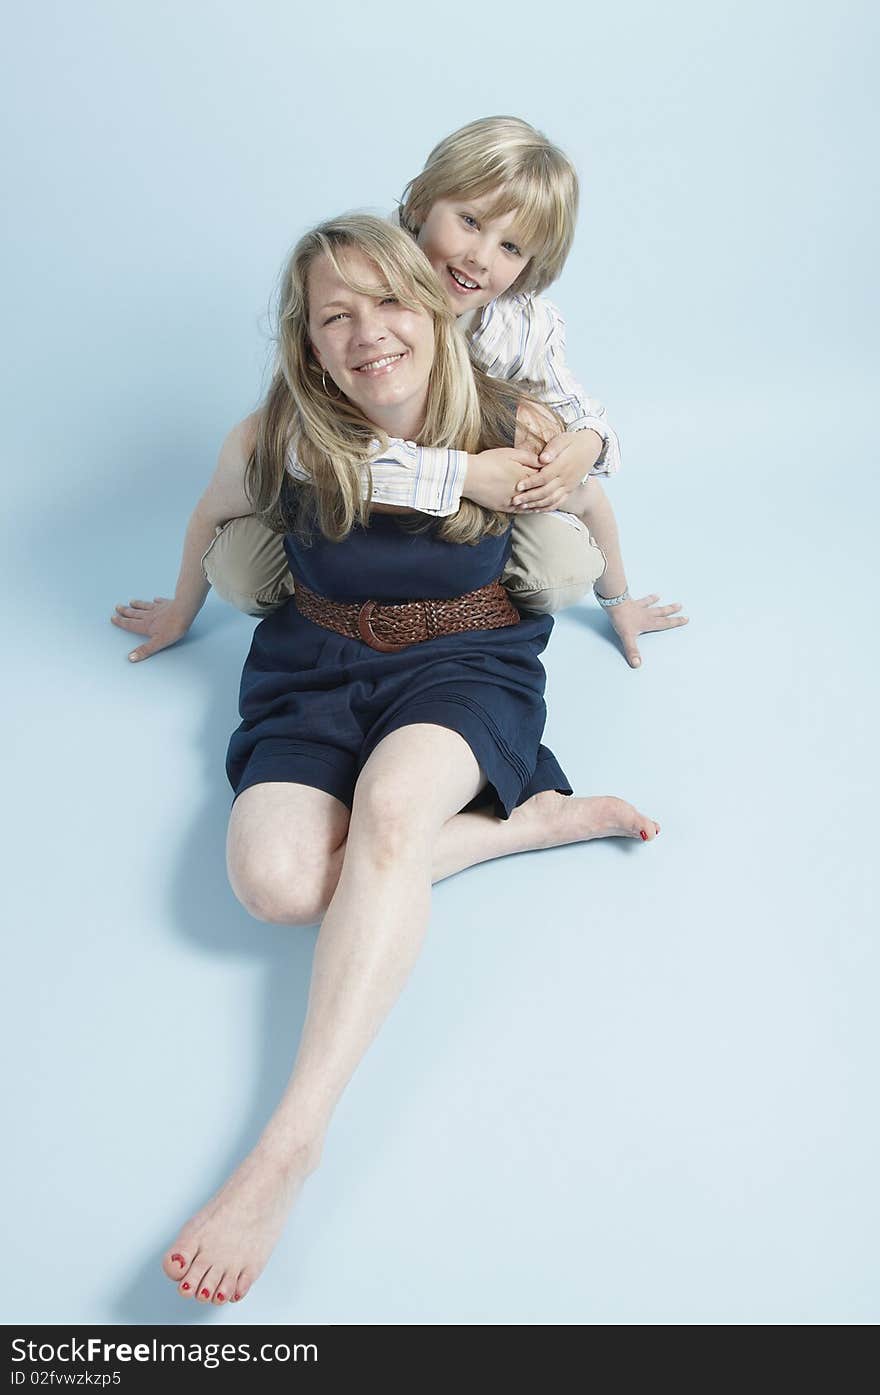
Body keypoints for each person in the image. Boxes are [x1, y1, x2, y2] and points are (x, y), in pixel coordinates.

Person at [116, 214, 660, 1305]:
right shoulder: (278, 436)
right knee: (274, 886)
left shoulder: (513, 419)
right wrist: (179, 615)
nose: (368, 333)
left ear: (431, 305)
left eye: (390, 301)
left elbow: (592, 500)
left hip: (464, 661)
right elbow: (205, 514)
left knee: (394, 814)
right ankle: (528, 822)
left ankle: (289, 1146)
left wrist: (620, 599)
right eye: (334, 315)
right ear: (308, 343)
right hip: (313, 663)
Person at [113, 117, 687, 672]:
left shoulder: (518, 325)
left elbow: (574, 418)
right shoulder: (366, 281)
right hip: (347, 478)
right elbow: (308, 446)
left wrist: (582, 444)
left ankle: (456, 587)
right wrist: (466, 475)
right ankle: (332, 585)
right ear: (419, 207)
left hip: (459, 489)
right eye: (469, 221)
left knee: (559, 562)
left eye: (511, 248)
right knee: (243, 571)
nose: (480, 257)